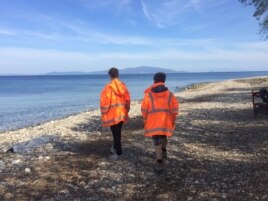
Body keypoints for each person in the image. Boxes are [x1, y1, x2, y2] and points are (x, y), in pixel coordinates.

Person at [141, 72, 179, 172]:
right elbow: (175, 109)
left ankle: (159, 160)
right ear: (164, 81)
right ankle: (164, 150)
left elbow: (144, 109)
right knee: (164, 136)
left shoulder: (148, 95)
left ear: (154, 80)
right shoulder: (170, 94)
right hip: (165, 121)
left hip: (153, 122)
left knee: (156, 141)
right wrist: (173, 119)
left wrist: (145, 119)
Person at [100, 67, 131, 160]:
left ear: (110, 75)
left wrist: (103, 112)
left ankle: (118, 153)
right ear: (118, 74)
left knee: (115, 134)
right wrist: (127, 110)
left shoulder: (108, 87)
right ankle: (115, 148)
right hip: (121, 113)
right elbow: (128, 99)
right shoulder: (123, 86)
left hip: (113, 115)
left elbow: (105, 102)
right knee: (118, 133)